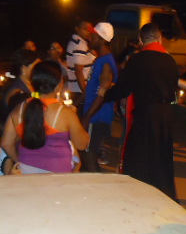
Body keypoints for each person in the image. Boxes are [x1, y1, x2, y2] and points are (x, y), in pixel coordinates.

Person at [104, 23, 179, 199]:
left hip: (147, 112)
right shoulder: (170, 60)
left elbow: (123, 89)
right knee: (161, 157)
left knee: (139, 156)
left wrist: (105, 95)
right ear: (159, 38)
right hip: (166, 114)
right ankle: (163, 194)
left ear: (140, 40)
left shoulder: (137, 60)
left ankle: (138, 194)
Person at [1, 61, 89, 173]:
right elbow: (82, 144)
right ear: (59, 85)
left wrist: (20, 161)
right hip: (57, 173)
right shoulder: (65, 113)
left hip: (25, 170)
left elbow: (6, 143)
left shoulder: (19, 108)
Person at [81, 22, 118, 172]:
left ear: (102, 40)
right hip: (95, 114)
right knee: (85, 154)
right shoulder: (100, 60)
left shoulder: (106, 64)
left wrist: (87, 117)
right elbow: (91, 88)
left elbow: (102, 95)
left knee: (89, 154)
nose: (90, 38)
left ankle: (100, 184)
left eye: (93, 36)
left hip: (97, 116)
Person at [65, 20, 95, 109]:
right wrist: (85, 93)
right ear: (77, 29)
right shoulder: (80, 45)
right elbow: (78, 71)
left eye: (90, 29)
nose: (88, 32)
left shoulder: (77, 42)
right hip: (79, 90)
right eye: (85, 29)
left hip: (75, 89)